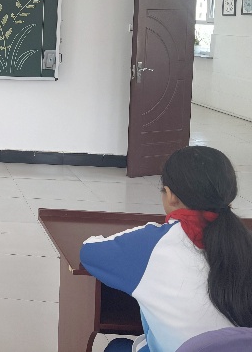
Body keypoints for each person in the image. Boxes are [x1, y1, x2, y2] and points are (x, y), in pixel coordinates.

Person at [80, 146, 252, 352]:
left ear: (170, 195)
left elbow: (89, 252)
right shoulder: (244, 242)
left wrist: (147, 231)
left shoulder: (153, 244)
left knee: (117, 347)